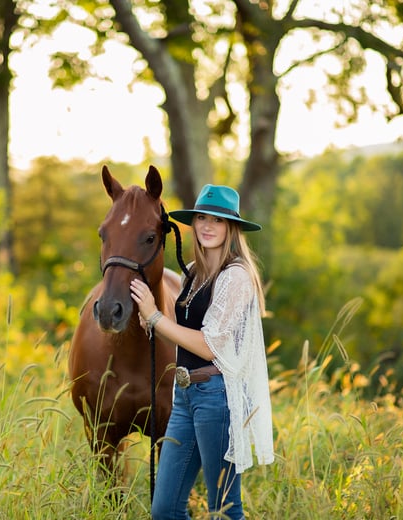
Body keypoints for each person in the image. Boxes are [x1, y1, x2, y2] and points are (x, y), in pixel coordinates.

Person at [130, 184, 274, 520]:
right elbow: (179, 331)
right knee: (164, 509)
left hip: (216, 398)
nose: (207, 226)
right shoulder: (193, 274)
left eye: (218, 220)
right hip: (184, 396)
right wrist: (147, 314)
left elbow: (209, 346)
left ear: (231, 228)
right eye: (201, 218)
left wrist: (155, 316)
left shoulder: (236, 276)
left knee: (222, 508)